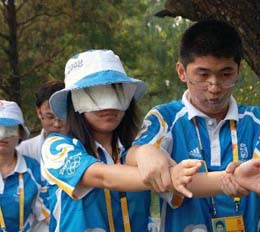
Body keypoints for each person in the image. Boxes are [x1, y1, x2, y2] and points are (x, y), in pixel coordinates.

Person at [126, 20, 260, 232]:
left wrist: (253, 179)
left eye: (226, 74)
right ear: (182, 72)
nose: (214, 86)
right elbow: (130, 158)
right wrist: (144, 152)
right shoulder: (164, 118)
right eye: (203, 74)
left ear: (238, 71)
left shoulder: (258, 120)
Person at [40, 49, 204, 231]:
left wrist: (231, 179)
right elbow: (103, 177)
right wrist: (166, 175)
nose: (109, 105)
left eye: (117, 92)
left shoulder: (136, 151)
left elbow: (186, 184)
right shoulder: (57, 149)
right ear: (74, 101)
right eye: (95, 94)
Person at [0, 100, 50, 231]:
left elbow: (48, 215)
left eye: (9, 129)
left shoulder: (35, 171)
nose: (2, 135)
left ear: (21, 133)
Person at [16, 80, 65, 162]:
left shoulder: (88, 147)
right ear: (39, 112)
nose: (57, 124)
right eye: (50, 116)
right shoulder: (23, 151)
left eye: (62, 116)